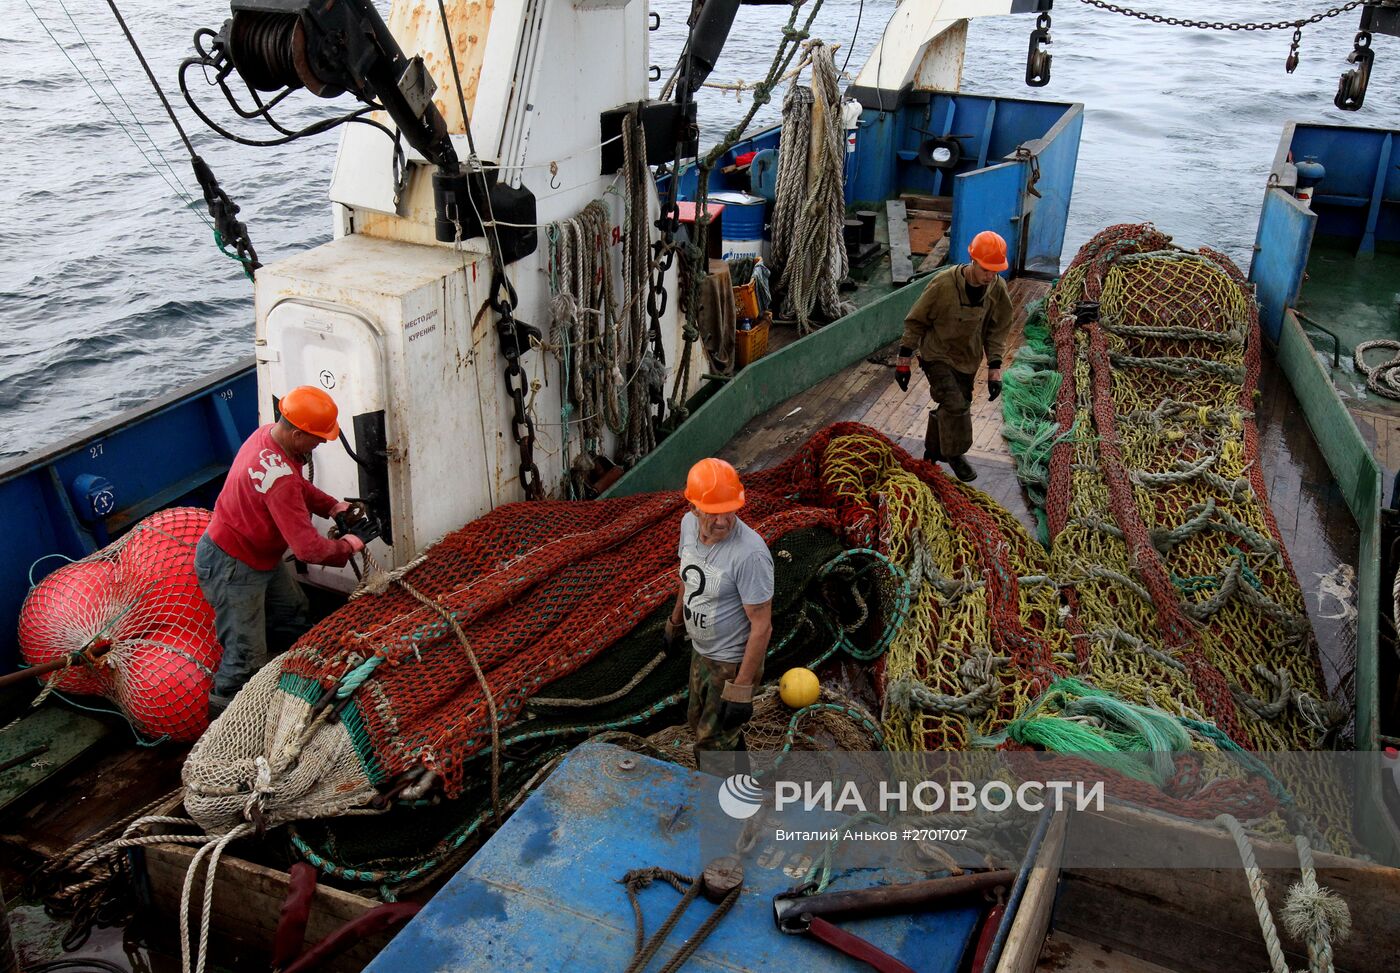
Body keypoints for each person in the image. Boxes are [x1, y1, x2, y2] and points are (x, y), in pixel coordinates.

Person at [195, 385, 367, 716]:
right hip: (232, 567)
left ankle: (293, 679)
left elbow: (295, 482)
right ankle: (224, 729)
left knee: (293, 614)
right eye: (318, 438)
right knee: (244, 658)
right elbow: (309, 550)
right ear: (297, 431)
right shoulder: (282, 482)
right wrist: (347, 546)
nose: (322, 444)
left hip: (258, 557)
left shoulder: (268, 437)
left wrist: (331, 506)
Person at [664, 458, 774, 769]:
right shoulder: (688, 526)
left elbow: (761, 626)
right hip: (702, 654)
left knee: (712, 744)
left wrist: (741, 689)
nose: (723, 520)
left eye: (730, 510)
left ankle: (723, 809)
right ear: (694, 507)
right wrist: (675, 623)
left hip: (729, 661)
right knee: (700, 722)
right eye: (713, 512)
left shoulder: (750, 554)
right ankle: (740, 781)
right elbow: (689, 575)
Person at [894, 229, 1014, 482]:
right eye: (985, 269)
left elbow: (998, 329)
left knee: (956, 406)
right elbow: (916, 321)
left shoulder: (996, 288)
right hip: (936, 355)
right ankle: (955, 454)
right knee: (955, 404)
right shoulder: (943, 284)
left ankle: (932, 451)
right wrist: (903, 362)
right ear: (973, 261)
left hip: (967, 360)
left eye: (996, 271)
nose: (990, 276)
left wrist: (994, 369)